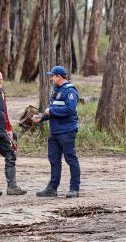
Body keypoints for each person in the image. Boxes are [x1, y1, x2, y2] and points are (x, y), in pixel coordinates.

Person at [33, 65, 81, 198]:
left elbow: (70, 109)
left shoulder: (70, 91)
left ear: (59, 77)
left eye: (53, 76)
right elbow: (52, 111)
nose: (51, 78)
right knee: (54, 160)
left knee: (70, 159)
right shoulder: (55, 90)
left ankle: (74, 188)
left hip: (67, 131)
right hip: (55, 132)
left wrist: (51, 111)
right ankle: (52, 188)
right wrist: (41, 118)